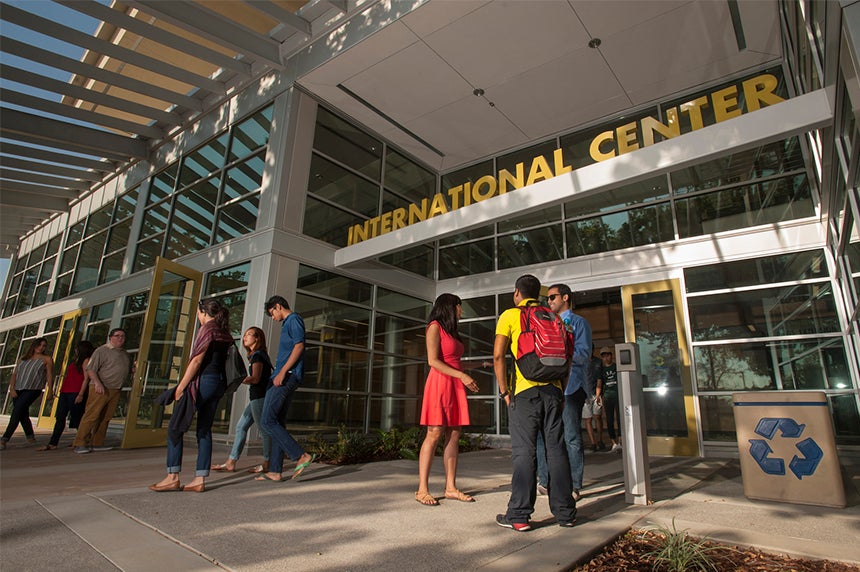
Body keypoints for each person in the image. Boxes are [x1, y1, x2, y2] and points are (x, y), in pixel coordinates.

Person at [493, 274, 577, 532]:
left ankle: (519, 515)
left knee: (524, 452)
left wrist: (505, 392)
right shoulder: (555, 318)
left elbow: (498, 355)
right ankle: (566, 513)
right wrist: (561, 391)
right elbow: (568, 357)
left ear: (517, 292)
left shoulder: (510, 315)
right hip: (553, 391)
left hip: (525, 393)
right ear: (538, 295)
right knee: (557, 450)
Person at [150, 299, 233, 493]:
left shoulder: (207, 329)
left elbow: (196, 361)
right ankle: (199, 479)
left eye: (198, 312)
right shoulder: (224, 332)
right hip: (218, 383)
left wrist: (181, 387)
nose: (197, 316)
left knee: (174, 427)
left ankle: (172, 476)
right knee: (204, 429)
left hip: (203, 381)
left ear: (203, 312)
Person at [415, 293, 480, 506]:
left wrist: (478, 366)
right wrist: (462, 375)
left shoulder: (452, 331)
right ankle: (422, 490)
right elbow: (433, 361)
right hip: (440, 384)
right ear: (450, 307)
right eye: (459, 306)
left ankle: (451, 487)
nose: (461, 311)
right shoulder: (434, 326)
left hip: (454, 384)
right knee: (434, 434)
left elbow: (455, 362)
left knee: (454, 434)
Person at [536, 283, 592, 502]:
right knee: (543, 435)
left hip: (570, 388)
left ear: (565, 297)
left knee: (571, 437)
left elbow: (584, 353)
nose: (549, 302)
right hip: (548, 388)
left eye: (552, 297)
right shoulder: (546, 323)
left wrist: (561, 358)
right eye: (547, 299)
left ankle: (574, 484)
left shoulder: (579, 323)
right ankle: (545, 480)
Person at [256, 295, 315, 482]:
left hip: (286, 377)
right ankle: (275, 470)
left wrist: (283, 372)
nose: (272, 318)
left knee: (266, 421)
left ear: (278, 306)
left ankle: (300, 456)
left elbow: (299, 347)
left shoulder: (293, 319)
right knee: (277, 422)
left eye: (272, 313)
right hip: (284, 376)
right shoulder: (287, 323)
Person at [211, 327, 274, 473]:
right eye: (244, 334)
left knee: (263, 430)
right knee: (241, 427)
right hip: (256, 397)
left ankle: (267, 462)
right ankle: (231, 462)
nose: (245, 337)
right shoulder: (255, 355)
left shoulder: (258, 356)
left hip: (259, 397)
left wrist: (237, 379)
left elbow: (256, 379)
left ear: (257, 338)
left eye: (249, 335)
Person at [73, 329, 132, 454]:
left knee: (105, 417)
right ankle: (80, 443)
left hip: (116, 389)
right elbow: (90, 369)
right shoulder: (102, 351)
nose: (120, 338)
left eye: (123, 336)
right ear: (110, 337)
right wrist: (97, 383)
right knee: (92, 415)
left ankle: (97, 443)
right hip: (100, 388)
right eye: (117, 336)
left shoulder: (124, 353)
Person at [38, 340, 95, 451]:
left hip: (76, 392)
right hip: (65, 391)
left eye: (77, 348)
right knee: (60, 417)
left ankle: (83, 440)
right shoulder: (76, 361)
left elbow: (86, 379)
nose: (75, 350)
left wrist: (81, 394)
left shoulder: (86, 361)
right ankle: (53, 443)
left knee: (77, 418)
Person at [1, 338, 54, 450]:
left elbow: (49, 375)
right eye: (39, 345)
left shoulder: (47, 359)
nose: (41, 347)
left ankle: (4, 440)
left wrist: (50, 390)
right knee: (22, 413)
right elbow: (15, 374)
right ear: (34, 345)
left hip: (33, 389)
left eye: (44, 345)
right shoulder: (23, 358)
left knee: (16, 412)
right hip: (18, 388)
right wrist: (12, 388)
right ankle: (30, 437)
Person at [597, 346, 621, 452]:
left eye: (608, 355)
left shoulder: (616, 367)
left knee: (621, 419)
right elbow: (599, 382)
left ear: (611, 355)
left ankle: (620, 440)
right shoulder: (601, 370)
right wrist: (598, 396)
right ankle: (613, 442)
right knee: (609, 419)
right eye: (604, 356)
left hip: (618, 394)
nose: (606, 358)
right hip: (607, 396)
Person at [583, 346, 605, 452]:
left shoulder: (598, 362)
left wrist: (598, 395)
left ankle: (600, 440)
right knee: (588, 419)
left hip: (596, 393)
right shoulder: (582, 362)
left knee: (597, 417)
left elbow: (600, 379)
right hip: (585, 394)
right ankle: (593, 442)